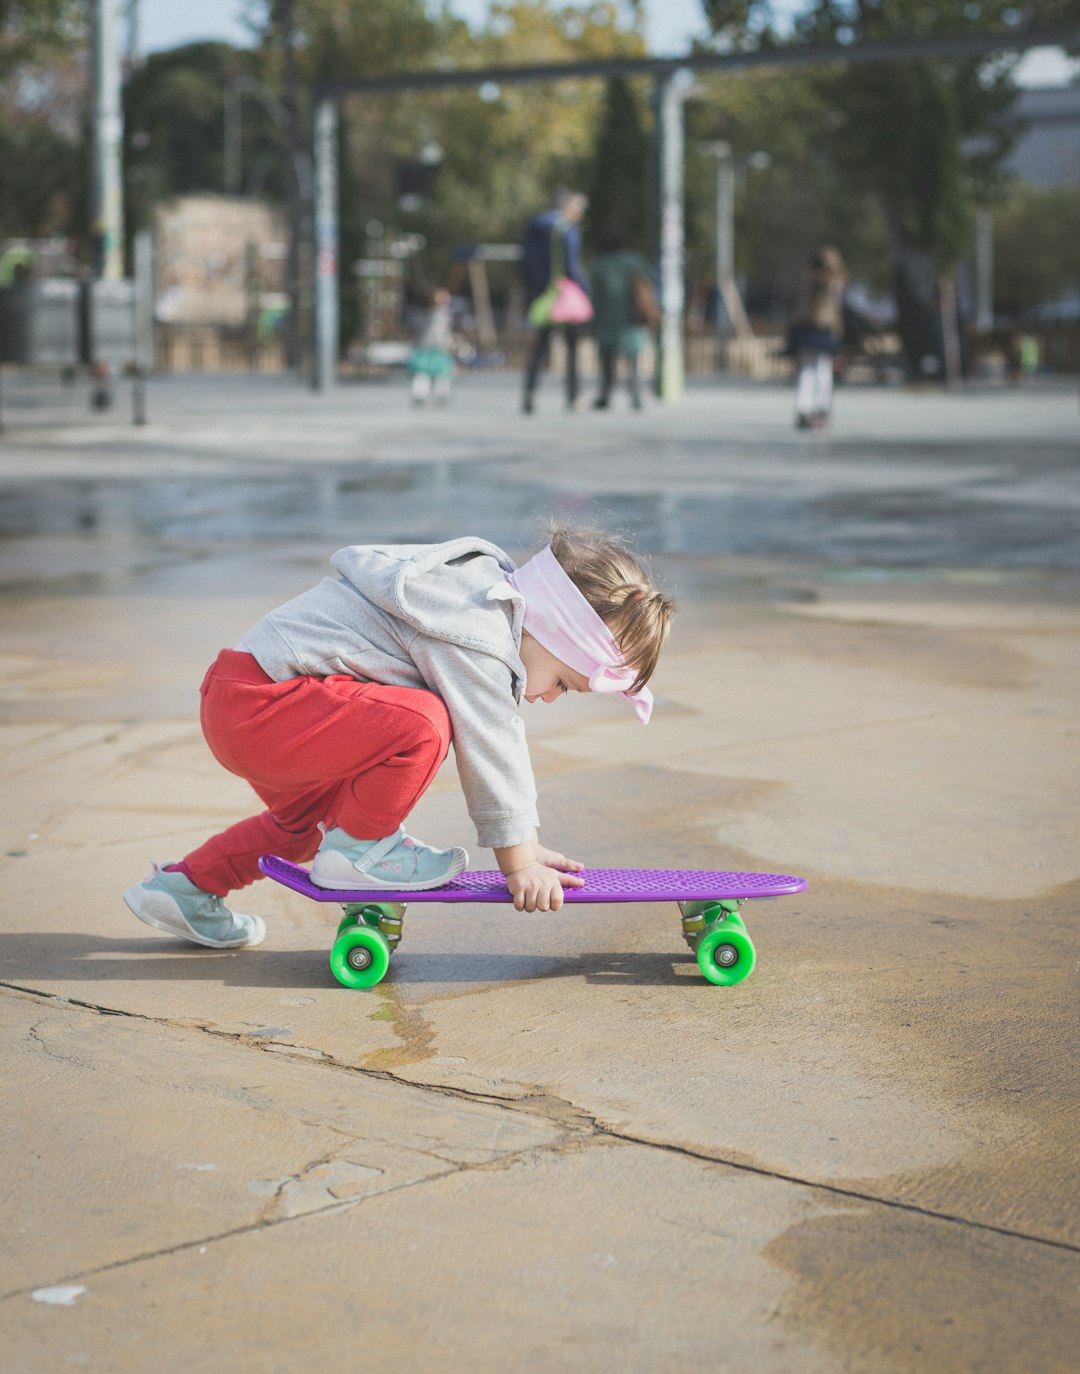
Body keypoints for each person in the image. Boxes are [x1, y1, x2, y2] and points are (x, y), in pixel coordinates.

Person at [123, 528, 675, 948]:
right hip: (262, 703)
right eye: (564, 683)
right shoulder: (478, 632)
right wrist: (518, 863)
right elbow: (492, 742)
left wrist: (526, 848)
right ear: (553, 629)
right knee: (424, 723)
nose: (549, 698)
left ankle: (186, 888)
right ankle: (362, 852)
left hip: (247, 701)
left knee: (312, 828)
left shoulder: (475, 597)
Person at [521, 189, 591, 414]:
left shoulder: (533, 227)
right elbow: (571, 266)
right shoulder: (567, 229)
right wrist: (584, 290)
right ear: (569, 208)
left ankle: (529, 396)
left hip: (540, 295)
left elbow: (525, 263)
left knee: (538, 348)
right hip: (564, 296)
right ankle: (572, 397)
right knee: (572, 349)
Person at [588, 226, 657, 412]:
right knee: (633, 358)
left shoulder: (600, 265)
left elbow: (594, 296)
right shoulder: (634, 260)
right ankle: (635, 394)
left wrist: (592, 322)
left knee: (608, 359)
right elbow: (650, 283)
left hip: (608, 318)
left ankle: (605, 394)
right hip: (632, 317)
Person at [788, 245, 846, 430]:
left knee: (814, 371)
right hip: (817, 330)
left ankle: (812, 408)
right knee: (818, 371)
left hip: (814, 330)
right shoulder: (829, 283)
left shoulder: (814, 282)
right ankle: (814, 408)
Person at [407, 286, 455, 405]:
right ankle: (419, 395)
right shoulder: (420, 313)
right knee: (422, 375)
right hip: (424, 349)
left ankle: (442, 396)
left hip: (440, 350)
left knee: (442, 376)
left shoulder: (444, 313)